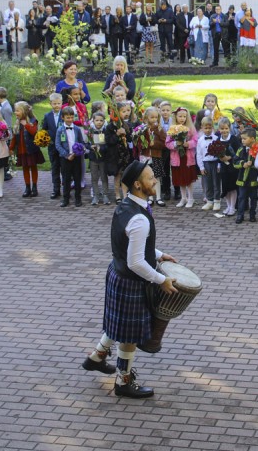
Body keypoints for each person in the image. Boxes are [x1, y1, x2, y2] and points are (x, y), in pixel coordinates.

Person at [80, 159, 180, 399]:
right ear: (137, 184)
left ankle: (96, 358)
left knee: (119, 324)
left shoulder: (127, 205)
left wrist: (158, 254)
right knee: (130, 335)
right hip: (131, 280)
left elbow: (133, 247)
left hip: (118, 272)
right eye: (149, 178)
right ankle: (123, 383)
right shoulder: (139, 218)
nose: (154, 180)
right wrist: (160, 279)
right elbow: (136, 262)